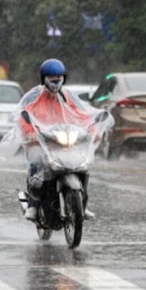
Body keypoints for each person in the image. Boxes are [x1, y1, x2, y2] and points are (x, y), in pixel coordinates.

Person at [15, 59, 97, 221]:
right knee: (36, 163)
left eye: (59, 77)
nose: (56, 81)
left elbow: (82, 114)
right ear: (43, 78)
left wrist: (92, 130)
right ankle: (33, 204)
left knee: (82, 167)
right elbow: (23, 116)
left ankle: (82, 204)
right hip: (40, 141)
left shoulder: (68, 96)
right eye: (52, 77)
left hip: (64, 140)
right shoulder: (34, 96)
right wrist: (30, 132)